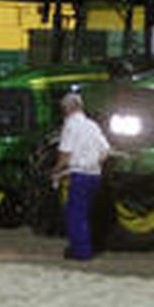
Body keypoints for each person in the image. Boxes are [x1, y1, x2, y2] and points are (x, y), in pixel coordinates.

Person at [51, 92, 110, 261]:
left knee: (75, 215)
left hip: (79, 175)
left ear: (67, 108)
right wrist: (93, 163)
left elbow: (65, 154)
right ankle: (84, 247)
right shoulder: (92, 125)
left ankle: (81, 251)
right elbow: (106, 151)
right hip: (95, 175)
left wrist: (55, 170)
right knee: (86, 213)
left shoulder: (70, 125)